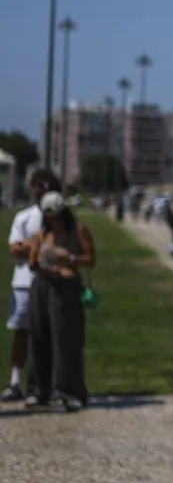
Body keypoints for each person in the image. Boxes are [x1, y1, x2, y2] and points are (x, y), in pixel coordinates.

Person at [24, 191, 95, 411]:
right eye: (49, 216)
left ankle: (70, 391)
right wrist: (38, 260)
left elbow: (90, 259)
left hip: (66, 286)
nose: (52, 220)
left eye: (56, 215)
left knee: (66, 340)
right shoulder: (42, 233)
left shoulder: (79, 231)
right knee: (39, 337)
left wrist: (69, 259)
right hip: (43, 285)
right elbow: (32, 262)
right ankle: (39, 390)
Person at [2, 170, 56, 402]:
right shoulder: (23, 217)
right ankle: (15, 382)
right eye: (33, 185)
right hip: (24, 282)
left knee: (48, 335)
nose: (36, 189)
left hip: (51, 281)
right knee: (21, 333)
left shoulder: (58, 217)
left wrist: (31, 245)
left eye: (41, 185)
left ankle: (46, 383)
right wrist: (38, 245)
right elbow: (14, 249)